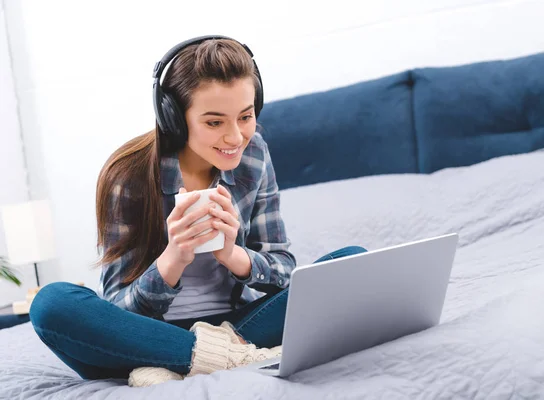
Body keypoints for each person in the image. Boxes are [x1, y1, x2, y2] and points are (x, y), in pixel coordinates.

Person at [29, 35, 367, 387]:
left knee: (352, 263)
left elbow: (283, 268)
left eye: (246, 116)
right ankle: (227, 358)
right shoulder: (127, 175)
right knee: (51, 303)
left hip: (240, 325)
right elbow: (118, 309)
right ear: (174, 118)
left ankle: (177, 365)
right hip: (145, 334)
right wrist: (173, 258)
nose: (236, 137)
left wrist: (234, 255)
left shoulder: (254, 156)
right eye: (214, 122)